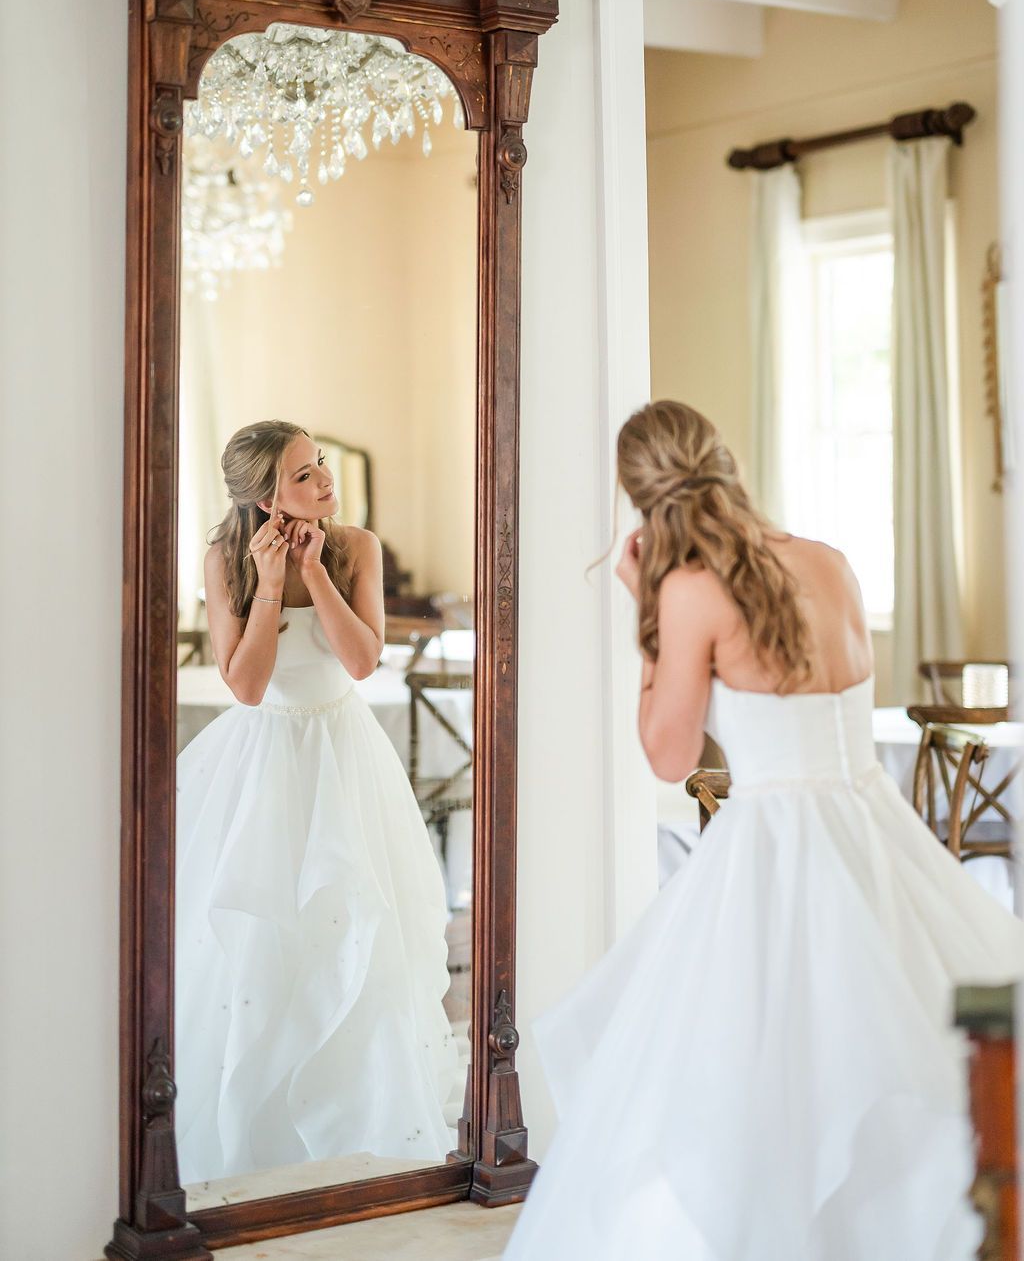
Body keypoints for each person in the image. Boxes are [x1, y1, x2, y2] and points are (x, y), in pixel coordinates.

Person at [504, 400, 1023, 1260]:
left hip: (775, 851)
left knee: (759, 1077)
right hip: (875, 832)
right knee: (887, 1050)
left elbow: (668, 756)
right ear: (724, 462)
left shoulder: (691, 590)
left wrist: (647, 620)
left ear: (643, 498)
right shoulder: (830, 562)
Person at [175, 420, 459, 1185]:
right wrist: (270, 584)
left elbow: (364, 660)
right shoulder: (224, 559)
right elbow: (246, 684)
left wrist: (317, 571)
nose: (326, 480)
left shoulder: (356, 545)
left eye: (322, 464)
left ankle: (358, 1123)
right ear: (267, 497)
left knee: (358, 934)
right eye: (306, 474)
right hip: (263, 762)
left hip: (345, 757)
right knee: (262, 942)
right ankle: (257, 1129)